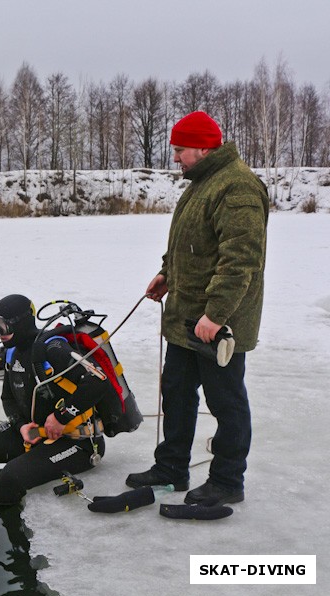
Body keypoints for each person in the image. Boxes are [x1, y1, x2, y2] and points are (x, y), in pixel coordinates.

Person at [126, 111, 268, 507]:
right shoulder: (204, 181)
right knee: (177, 392)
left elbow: (240, 259)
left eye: (181, 150)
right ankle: (171, 467)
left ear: (203, 148)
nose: (176, 158)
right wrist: (167, 273)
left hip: (217, 323)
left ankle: (227, 481)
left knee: (226, 402)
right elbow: (192, 242)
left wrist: (217, 314)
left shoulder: (237, 187)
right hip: (186, 314)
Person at [0, 294, 115, 507]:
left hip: (77, 444)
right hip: (36, 434)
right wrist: (21, 425)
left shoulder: (53, 349)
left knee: (11, 478)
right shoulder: (11, 352)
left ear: (21, 322)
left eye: (3, 326)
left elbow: (99, 381)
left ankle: (5, 523)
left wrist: (62, 417)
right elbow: (8, 398)